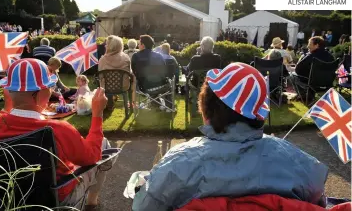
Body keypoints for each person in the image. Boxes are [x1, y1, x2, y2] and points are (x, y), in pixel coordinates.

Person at [132, 62, 328, 211]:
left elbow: (142, 207)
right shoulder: (299, 163)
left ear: (205, 107)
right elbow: (317, 202)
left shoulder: (177, 164)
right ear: (259, 114)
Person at [0, 58, 112, 210]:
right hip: (57, 199)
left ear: (8, 91)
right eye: (49, 87)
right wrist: (98, 114)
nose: (51, 90)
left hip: (9, 197)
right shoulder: (58, 130)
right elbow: (93, 156)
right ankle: (92, 202)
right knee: (103, 144)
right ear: (40, 93)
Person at [98, 35, 132, 110]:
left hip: (107, 87)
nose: (105, 46)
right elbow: (129, 73)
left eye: (107, 44)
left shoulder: (102, 60)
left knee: (103, 82)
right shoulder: (126, 58)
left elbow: (100, 76)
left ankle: (109, 103)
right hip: (123, 86)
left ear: (110, 46)